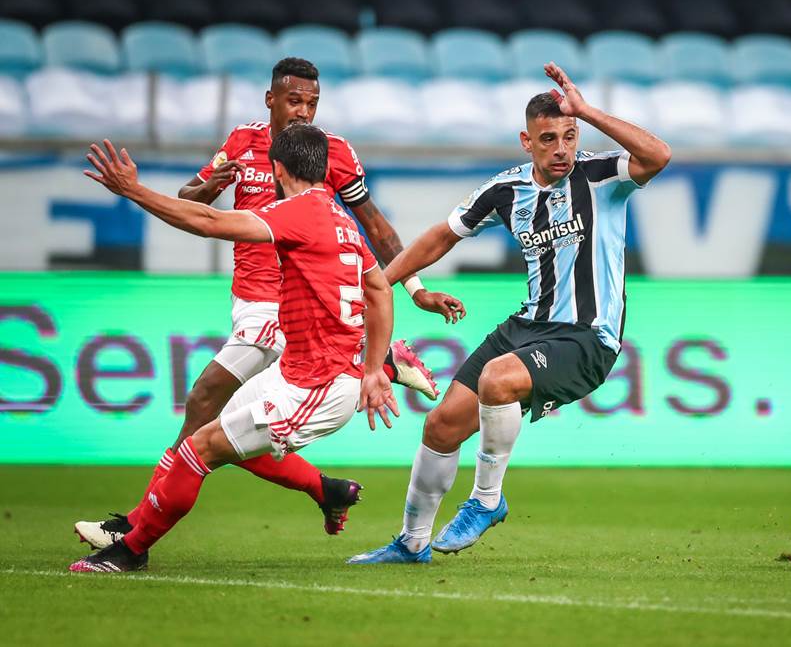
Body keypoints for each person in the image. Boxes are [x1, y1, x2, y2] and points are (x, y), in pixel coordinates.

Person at [74, 57, 464, 550]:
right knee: (227, 431)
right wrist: (212, 184)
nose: (305, 111)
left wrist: (416, 289)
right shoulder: (241, 141)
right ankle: (329, 482)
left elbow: (378, 228)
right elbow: (192, 198)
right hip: (246, 299)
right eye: (296, 100)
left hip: (279, 304)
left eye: (313, 103)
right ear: (271, 100)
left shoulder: (328, 153)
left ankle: (132, 529)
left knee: (202, 401)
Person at [348, 63, 671, 564]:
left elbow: (659, 154)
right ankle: (412, 543)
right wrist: (382, 283)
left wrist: (586, 109)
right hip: (528, 327)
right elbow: (442, 235)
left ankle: (486, 501)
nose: (561, 148)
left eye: (569, 135)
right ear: (527, 142)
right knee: (440, 426)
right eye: (548, 139)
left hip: (589, 338)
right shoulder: (507, 190)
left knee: (498, 380)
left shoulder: (602, 175)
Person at [71, 125, 399, 573]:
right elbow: (380, 288)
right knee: (216, 433)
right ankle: (328, 490)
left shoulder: (298, 212)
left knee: (198, 449)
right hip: (298, 372)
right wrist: (374, 367)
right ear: (324, 168)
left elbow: (207, 222)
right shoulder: (343, 219)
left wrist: (133, 191)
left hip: (317, 385)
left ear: (277, 168)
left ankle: (131, 548)